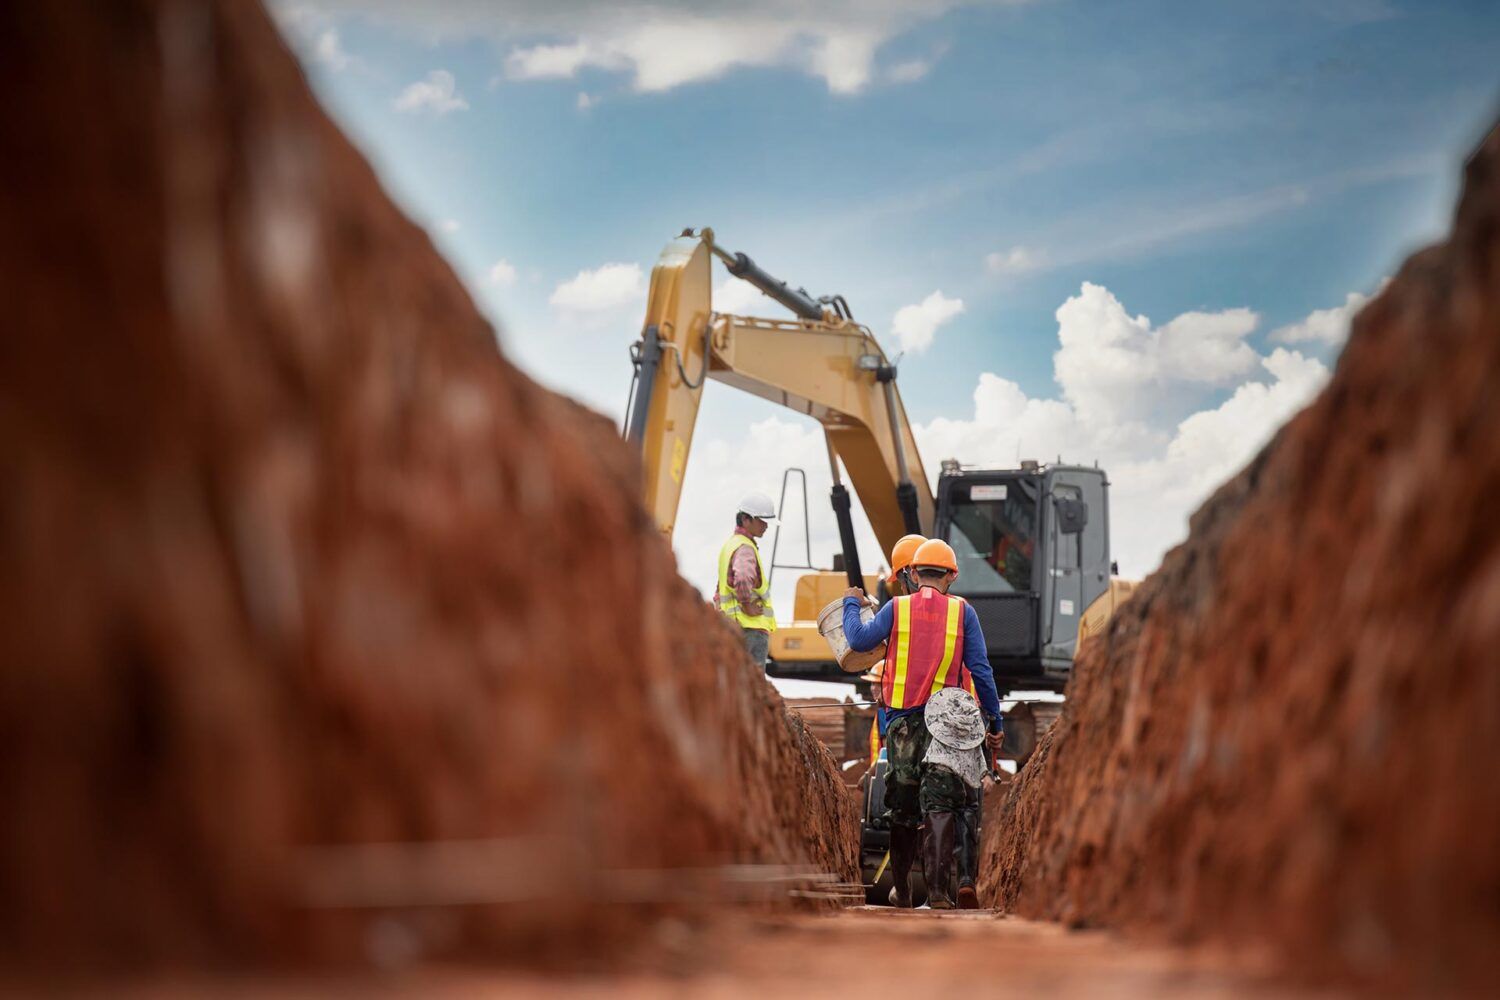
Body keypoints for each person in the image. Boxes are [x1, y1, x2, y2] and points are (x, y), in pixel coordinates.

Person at [842, 538, 1004, 910]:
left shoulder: (896, 608)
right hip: (946, 725)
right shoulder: (964, 613)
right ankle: (937, 892)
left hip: (902, 724)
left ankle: (902, 889)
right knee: (941, 804)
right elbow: (980, 670)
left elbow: (857, 639)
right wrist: (995, 719)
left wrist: (852, 603)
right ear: (952, 576)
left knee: (902, 805)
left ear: (913, 573)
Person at [716, 492, 777, 666]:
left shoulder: (731, 545)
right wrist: (747, 605)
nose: (765, 526)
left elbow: (720, 587)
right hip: (751, 629)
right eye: (761, 520)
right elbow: (742, 578)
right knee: (753, 686)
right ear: (745, 519)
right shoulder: (745, 548)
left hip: (734, 627)